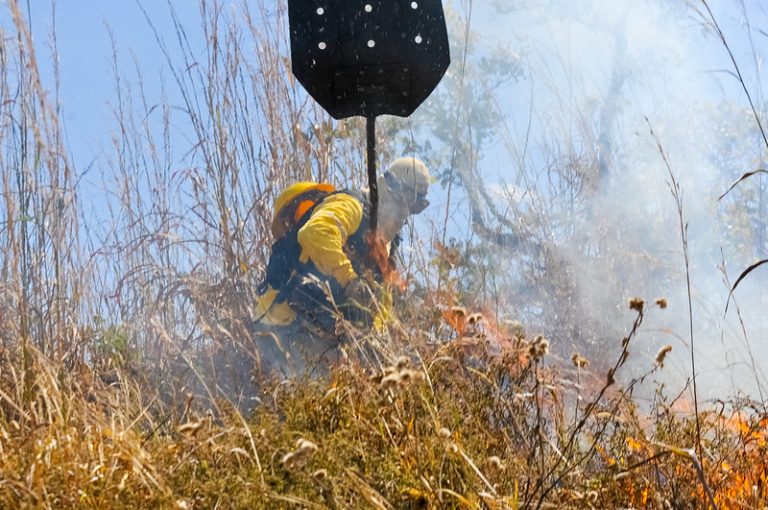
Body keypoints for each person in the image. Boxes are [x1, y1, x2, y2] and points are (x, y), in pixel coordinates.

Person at [252, 157, 431, 375]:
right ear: (388, 188)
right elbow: (315, 232)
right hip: (282, 320)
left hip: (319, 333)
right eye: (405, 201)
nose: (406, 213)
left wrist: (383, 343)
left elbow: (381, 303)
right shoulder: (351, 205)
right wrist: (350, 281)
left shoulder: (385, 245)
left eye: (415, 207)